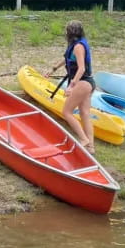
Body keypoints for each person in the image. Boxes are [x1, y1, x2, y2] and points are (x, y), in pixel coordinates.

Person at [47, 20, 96, 152]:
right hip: (89, 82)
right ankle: (91, 147)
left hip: (82, 82)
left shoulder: (78, 47)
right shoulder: (76, 45)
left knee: (67, 112)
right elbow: (67, 58)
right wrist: (53, 69)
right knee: (85, 114)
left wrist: (72, 86)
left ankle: (83, 139)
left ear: (69, 33)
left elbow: (81, 69)